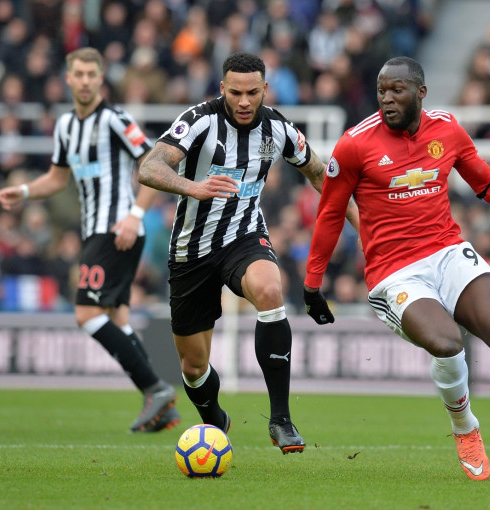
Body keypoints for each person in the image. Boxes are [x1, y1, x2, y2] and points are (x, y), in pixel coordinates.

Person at [303, 56, 490, 482]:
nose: (387, 100)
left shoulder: (447, 128)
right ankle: (465, 426)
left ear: (420, 92)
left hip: (448, 251)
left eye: (397, 90)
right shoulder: (355, 144)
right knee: (448, 344)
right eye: (381, 91)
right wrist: (312, 284)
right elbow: (330, 215)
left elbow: (487, 185)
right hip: (395, 272)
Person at [137, 52, 358, 454]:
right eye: (235, 92)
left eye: (252, 92)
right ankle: (214, 421)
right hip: (191, 250)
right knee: (193, 365)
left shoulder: (277, 128)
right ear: (222, 88)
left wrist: (366, 228)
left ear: (264, 90)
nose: (243, 101)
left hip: (244, 237)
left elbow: (317, 173)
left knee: (271, 292)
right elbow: (149, 168)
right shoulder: (200, 121)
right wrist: (194, 187)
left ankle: (281, 420)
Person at [0, 47, 179, 433]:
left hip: (116, 230)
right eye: (77, 74)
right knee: (116, 318)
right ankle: (160, 404)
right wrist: (24, 191)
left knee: (85, 313)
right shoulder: (65, 126)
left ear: (100, 78)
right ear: (67, 78)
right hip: (96, 231)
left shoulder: (115, 119)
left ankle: (156, 388)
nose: (84, 81)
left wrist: (134, 215)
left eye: (90, 75)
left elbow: (155, 166)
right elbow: (58, 178)